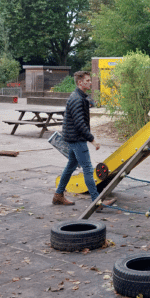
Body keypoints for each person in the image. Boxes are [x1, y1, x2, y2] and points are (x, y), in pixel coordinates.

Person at [54, 70, 116, 209]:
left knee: (71, 166)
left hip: (73, 137)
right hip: (76, 138)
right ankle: (96, 202)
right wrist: (92, 140)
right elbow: (79, 123)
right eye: (87, 80)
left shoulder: (80, 97)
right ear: (80, 82)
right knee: (88, 168)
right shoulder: (77, 99)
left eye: (90, 80)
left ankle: (58, 195)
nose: (90, 82)